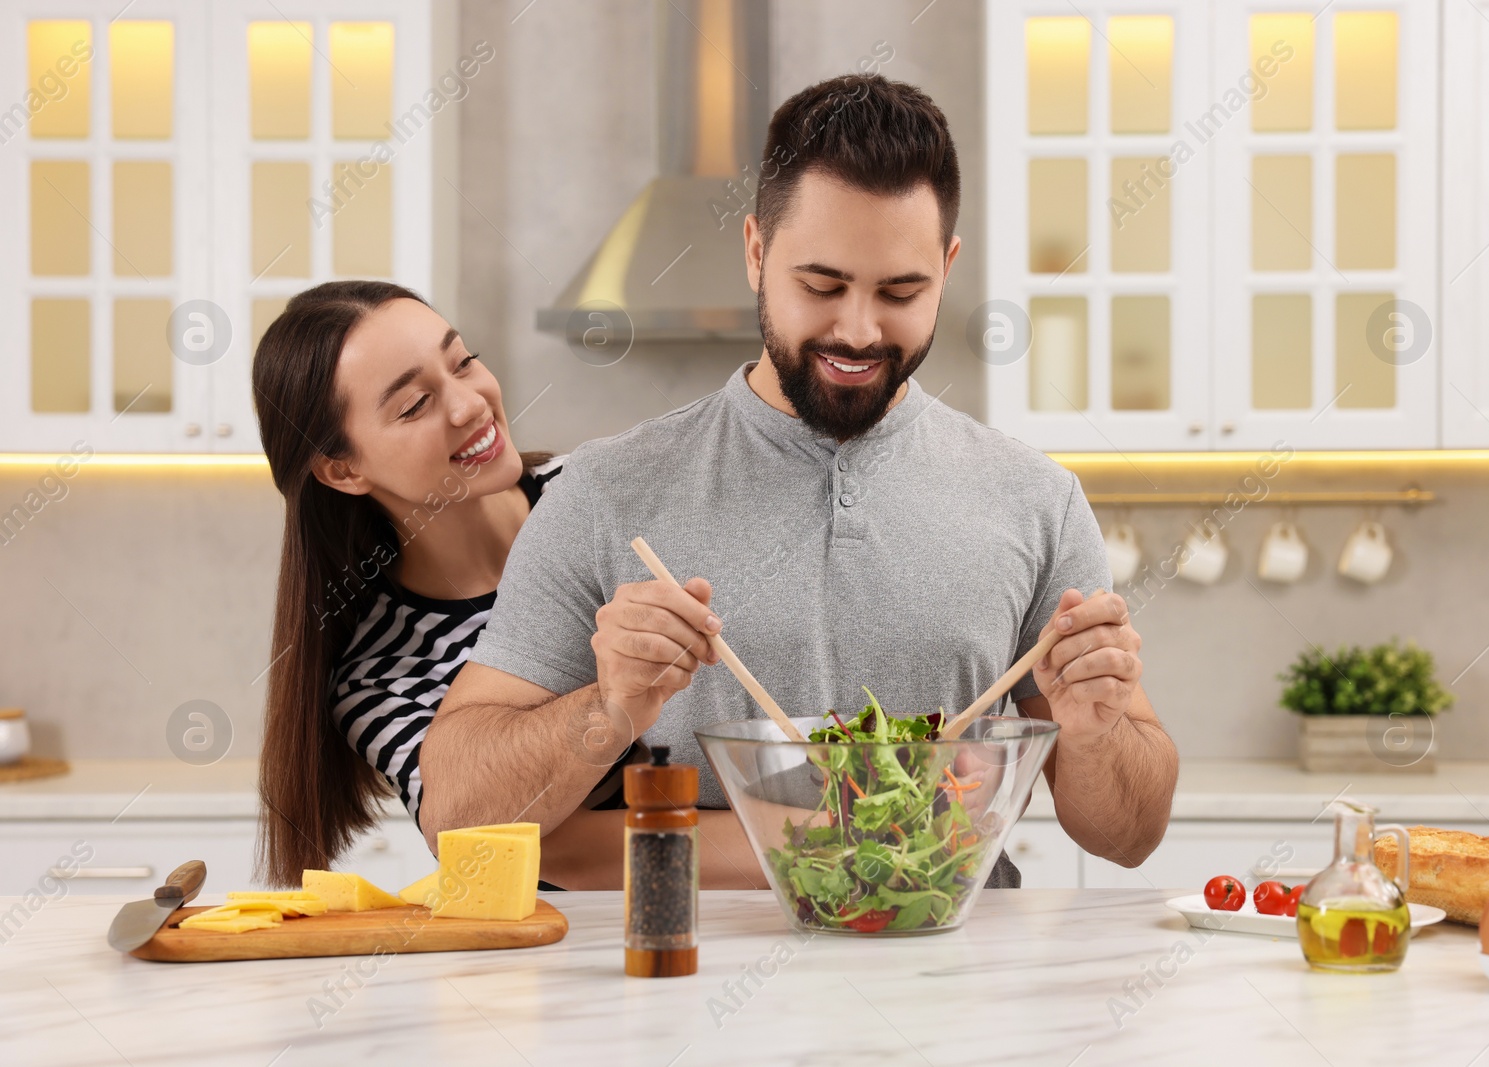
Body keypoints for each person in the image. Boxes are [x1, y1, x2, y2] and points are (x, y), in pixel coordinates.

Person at [420, 74, 1179, 889]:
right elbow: (454, 814)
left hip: (956, 983)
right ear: (755, 250)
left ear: (948, 268)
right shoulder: (606, 492)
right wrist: (605, 708)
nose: (858, 329)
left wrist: (1096, 735)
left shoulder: (1038, 502)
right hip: (687, 984)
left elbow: (1128, 836)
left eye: (900, 291)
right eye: (820, 286)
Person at [250, 280, 633, 888]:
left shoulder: (605, 494)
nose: (469, 405)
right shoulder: (380, 677)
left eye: (463, 363)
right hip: (573, 953)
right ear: (343, 468)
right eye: (413, 405)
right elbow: (522, 849)